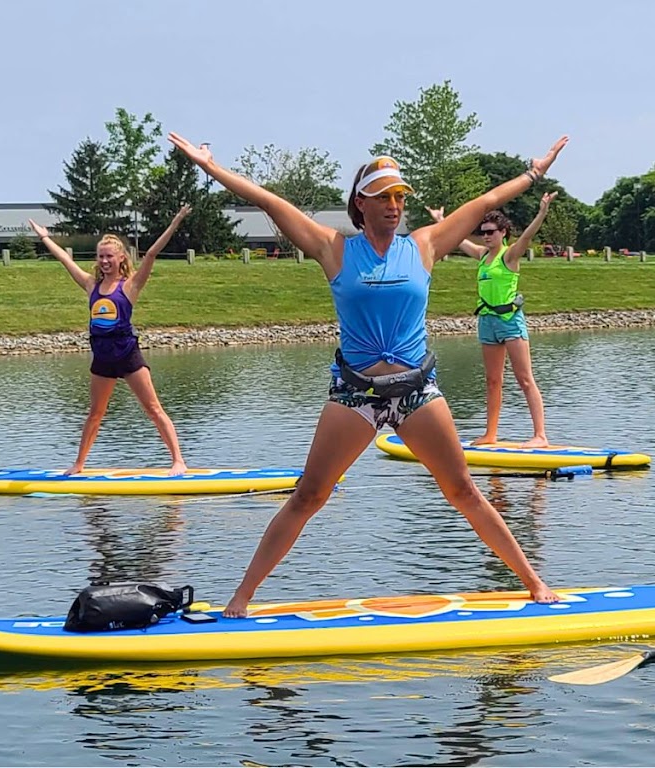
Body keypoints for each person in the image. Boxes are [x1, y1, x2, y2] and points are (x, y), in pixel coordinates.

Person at [168, 131, 568, 616]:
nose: (395, 205)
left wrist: (533, 174)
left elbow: (484, 200)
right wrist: (211, 167)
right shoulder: (334, 248)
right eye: (384, 197)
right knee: (309, 494)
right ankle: (242, 597)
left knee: (462, 488)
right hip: (356, 395)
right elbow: (268, 201)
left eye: (400, 197)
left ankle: (533, 581)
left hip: (417, 391)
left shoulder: (424, 245)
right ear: (361, 203)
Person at [28, 206, 192, 476]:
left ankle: (178, 461)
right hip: (102, 358)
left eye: (109, 256)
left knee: (153, 409)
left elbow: (151, 253)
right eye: (100, 256)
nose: (104, 261)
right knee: (95, 413)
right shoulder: (91, 285)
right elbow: (65, 261)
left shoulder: (130, 285)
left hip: (128, 354)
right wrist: (45, 238)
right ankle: (79, 465)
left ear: (120, 259)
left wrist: (175, 222)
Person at [426, 193, 557, 447]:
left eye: (491, 232)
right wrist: (442, 221)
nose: (486, 236)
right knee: (492, 380)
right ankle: (490, 434)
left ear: (503, 233)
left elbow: (528, 236)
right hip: (487, 322)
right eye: (483, 232)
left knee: (524, 378)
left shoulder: (509, 256)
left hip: (509, 321)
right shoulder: (481, 255)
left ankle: (540, 435)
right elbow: (456, 238)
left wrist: (541, 212)